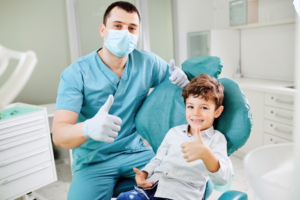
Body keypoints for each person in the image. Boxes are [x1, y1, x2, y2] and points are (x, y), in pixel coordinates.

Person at [52, 1, 188, 200]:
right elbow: (59, 134)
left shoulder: (148, 63)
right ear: (103, 30)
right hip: (93, 161)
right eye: (117, 26)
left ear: (138, 33)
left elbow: (188, 95)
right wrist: (87, 128)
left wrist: (185, 83)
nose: (125, 32)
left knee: (192, 184)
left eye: (132, 28)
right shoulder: (76, 73)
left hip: (136, 153)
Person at [117, 74, 233, 200]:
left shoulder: (216, 139)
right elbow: (158, 159)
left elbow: (223, 178)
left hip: (181, 194)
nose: (195, 113)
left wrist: (206, 154)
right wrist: (144, 173)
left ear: (217, 112)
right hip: (153, 187)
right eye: (190, 107)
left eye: (204, 107)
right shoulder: (174, 132)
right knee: (124, 197)